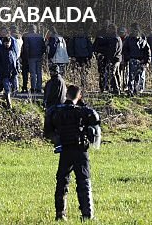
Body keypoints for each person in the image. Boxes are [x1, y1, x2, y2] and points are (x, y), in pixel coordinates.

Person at [43, 84, 100, 221]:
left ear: (66, 95)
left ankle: (60, 214)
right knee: (84, 181)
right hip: (81, 151)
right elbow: (95, 128)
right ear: (79, 96)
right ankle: (87, 214)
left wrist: (57, 140)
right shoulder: (85, 112)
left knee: (62, 182)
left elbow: (48, 132)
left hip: (65, 151)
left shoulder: (56, 111)